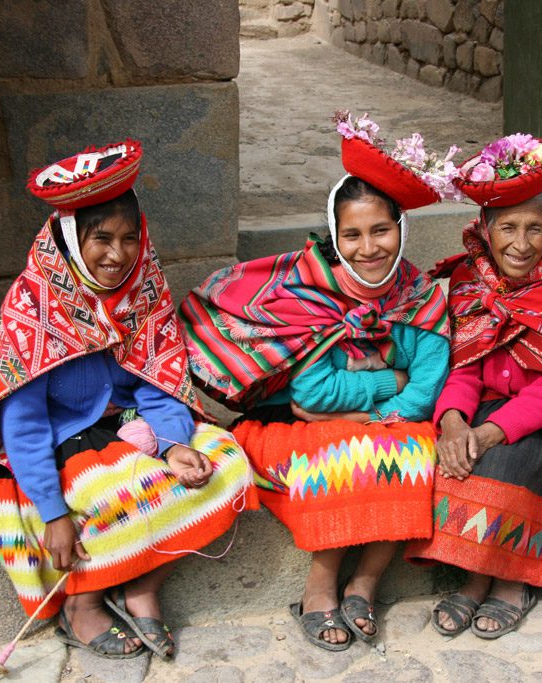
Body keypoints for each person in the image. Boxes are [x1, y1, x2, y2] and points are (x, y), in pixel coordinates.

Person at [180, 115, 453, 651]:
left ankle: (364, 584)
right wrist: (385, 379)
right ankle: (319, 586)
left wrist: (367, 412)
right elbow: (310, 395)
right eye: (351, 234)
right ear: (334, 235)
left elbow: (424, 390)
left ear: (401, 230)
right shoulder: (313, 294)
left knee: (414, 453)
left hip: (386, 423)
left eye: (381, 231)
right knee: (345, 459)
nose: (368, 247)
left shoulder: (421, 297)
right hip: (289, 424)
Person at [0, 140, 254, 660]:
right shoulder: (34, 305)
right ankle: (85, 603)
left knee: (227, 463)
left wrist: (172, 445)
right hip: (61, 438)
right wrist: (52, 511)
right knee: (109, 492)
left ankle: (143, 584)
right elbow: (26, 422)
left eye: (129, 238)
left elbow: (159, 380)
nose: (117, 254)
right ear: (70, 240)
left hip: (130, 423)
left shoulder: (143, 291)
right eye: (100, 238)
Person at [405, 134, 542, 640]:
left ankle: (511, 581)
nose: (521, 244)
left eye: (535, 228)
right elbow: (462, 367)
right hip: (488, 405)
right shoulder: (468, 280)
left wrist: (484, 435)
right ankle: (476, 575)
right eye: (507, 227)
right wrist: (454, 422)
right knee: (443, 456)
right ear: (485, 230)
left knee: (505, 463)